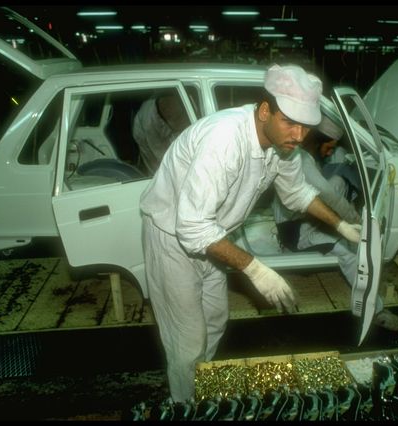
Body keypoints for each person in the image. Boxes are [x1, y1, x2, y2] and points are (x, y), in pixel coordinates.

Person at [139, 64, 364, 402]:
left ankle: (202, 387)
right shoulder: (224, 140)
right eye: (289, 122)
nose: (299, 135)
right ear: (264, 111)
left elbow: (298, 194)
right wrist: (256, 269)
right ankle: (184, 405)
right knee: (187, 341)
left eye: (305, 126)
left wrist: (342, 225)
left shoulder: (284, 145)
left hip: (214, 236)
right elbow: (191, 227)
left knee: (215, 320)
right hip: (173, 238)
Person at [272, 116, 398, 331]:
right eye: (328, 147)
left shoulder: (304, 154)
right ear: (317, 140)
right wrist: (354, 221)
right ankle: (374, 312)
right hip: (294, 232)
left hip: (302, 220)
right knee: (352, 251)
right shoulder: (303, 160)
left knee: (338, 181)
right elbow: (326, 195)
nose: (328, 153)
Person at [132, 94, 190, 176]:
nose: (183, 123)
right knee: (156, 165)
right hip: (143, 133)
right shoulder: (150, 126)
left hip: (165, 122)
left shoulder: (174, 100)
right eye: (179, 120)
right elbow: (162, 157)